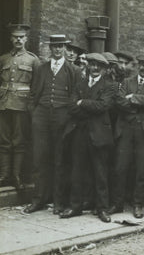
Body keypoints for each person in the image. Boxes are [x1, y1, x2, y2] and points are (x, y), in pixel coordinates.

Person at [25, 34, 81, 214]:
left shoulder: (73, 70)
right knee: (40, 159)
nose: (57, 49)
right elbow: (33, 94)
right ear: (50, 48)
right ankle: (39, 200)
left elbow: (75, 96)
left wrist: (68, 115)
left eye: (60, 46)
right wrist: (34, 114)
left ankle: (58, 202)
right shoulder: (42, 68)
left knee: (60, 160)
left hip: (62, 117)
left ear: (65, 48)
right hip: (41, 117)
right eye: (54, 46)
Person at [60, 53, 115, 222]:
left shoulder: (109, 86)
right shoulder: (80, 83)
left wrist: (82, 102)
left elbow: (103, 106)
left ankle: (103, 209)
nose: (95, 68)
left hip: (99, 135)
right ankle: (75, 206)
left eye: (99, 66)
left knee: (100, 173)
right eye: (92, 64)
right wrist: (86, 105)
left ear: (104, 69)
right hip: (80, 133)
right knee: (77, 171)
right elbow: (71, 107)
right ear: (88, 66)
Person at [109, 54, 144, 218]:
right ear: (138, 66)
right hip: (126, 128)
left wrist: (132, 98)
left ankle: (139, 204)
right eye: (142, 65)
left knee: (142, 169)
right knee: (120, 167)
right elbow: (119, 101)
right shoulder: (127, 81)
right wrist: (141, 102)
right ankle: (117, 204)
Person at [0, 24, 40, 189]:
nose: (18, 40)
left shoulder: (33, 60)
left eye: (21, 37)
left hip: (22, 106)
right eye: (15, 37)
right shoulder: (3, 59)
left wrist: (31, 106)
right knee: (3, 140)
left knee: (19, 140)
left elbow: (37, 85)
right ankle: (4, 175)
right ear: (11, 38)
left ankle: (16, 176)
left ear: (26, 39)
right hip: (3, 104)